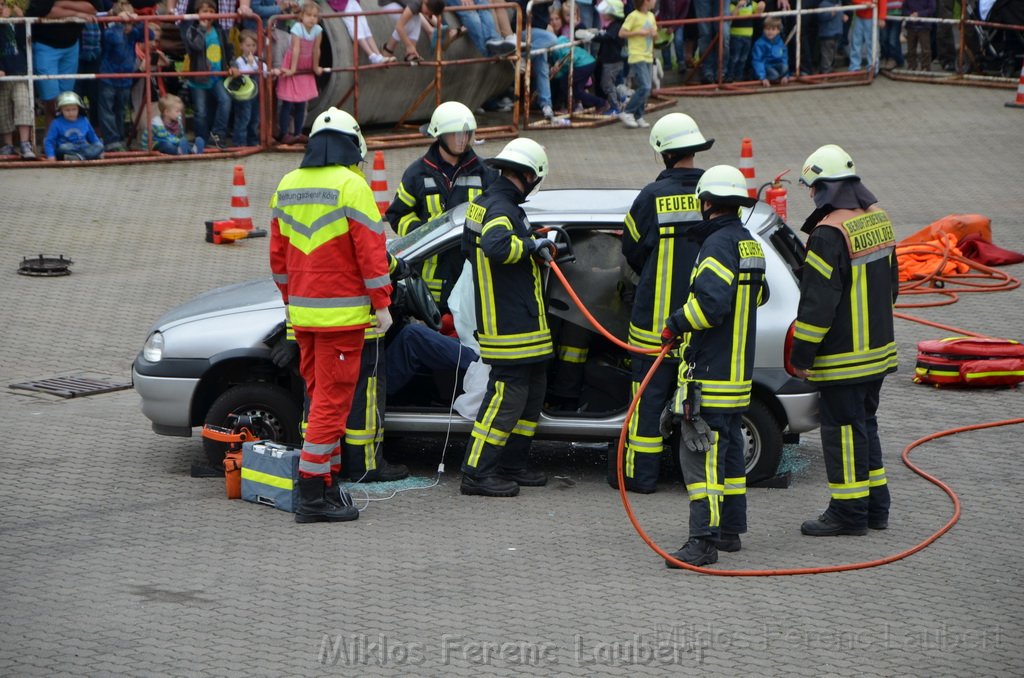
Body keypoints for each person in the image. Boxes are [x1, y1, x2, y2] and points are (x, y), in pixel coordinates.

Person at [269, 106, 394, 524]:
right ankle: (311, 491)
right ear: (352, 146)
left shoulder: (286, 184)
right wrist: (383, 304)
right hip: (341, 320)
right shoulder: (351, 185)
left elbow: (278, 259)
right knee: (331, 404)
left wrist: (293, 300)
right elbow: (371, 254)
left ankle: (324, 480)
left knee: (317, 397)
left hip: (302, 317)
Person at [660, 165, 766, 567]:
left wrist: (675, 323)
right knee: (731, 454)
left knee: (700, 456)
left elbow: (711, 305)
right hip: (738, 375)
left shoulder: (717, 245)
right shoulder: (749, 244)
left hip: (711, 373)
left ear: (706, 203)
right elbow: (757, 296)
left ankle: (702, 542)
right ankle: (729, 532)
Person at [789, 144, 897, 537]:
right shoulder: (879, 220)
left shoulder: (828, 233)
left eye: (812, 187)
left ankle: (848, 513)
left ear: (824, 186)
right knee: (865, 424)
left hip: (844, 358)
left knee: (843, 432)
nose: (810, 195)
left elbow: (817, 305)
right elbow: (893, 288)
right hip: (879, 353)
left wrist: (802, 354)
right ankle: (875, 508)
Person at [616, 112, 713, 494]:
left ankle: (641, 478)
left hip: (654, 327)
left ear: (664, 154)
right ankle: (703, 479)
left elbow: (630, 249)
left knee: (646, 402)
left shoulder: (651, 196)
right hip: (702, 325)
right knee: (699, 402)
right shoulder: (715, 193)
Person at [459, 137, 555, 498]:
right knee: (507, 397)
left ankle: (513, 464)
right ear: (529, 175)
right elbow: (496, 246)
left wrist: (532, 242)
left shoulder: (485, 205)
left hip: (521, 319)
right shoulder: (501, 208)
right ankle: (476, 473)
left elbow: (475, 250)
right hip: (509, 324)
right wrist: (531, 246)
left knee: (532, 391)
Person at [385, 101, 498, 310]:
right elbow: (397, 214)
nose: (462, 139)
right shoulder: (417, 173)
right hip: (430, 285)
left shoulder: (485, 172)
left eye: (466, 133)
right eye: (455, 134)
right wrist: (419, 233)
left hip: (470, 279)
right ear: (439, 135)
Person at [26, 0, 101, 127]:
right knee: (51, 98)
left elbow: (93, 8)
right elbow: (42, 12)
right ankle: (57, 136)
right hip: (45, 45)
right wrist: (77, 14)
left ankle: (52, 140)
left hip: (71, 45)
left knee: (66, 97)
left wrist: (62, 5)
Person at [182, 0, 236, 148]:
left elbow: (228, 50)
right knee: (201, 112)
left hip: (216, 77)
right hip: (198, 79)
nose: (208, 15)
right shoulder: (192, 31)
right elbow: (197, 46)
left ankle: (217, 135)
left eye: (212, 12)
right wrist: (202, 29)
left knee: (225, 101)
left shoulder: (219, 31)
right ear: (197, 13)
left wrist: (231, 65)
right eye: (204, 11)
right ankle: (201, 140)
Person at [97, 1, 149, 152]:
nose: (128, 26)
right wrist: (120, 23)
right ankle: (111, 141)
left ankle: (120, 139)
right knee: (107, 110)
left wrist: (137, 21)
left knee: (121, 111)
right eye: (125, 22)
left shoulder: (133, 33)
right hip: (108, 78)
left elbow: (149, 33)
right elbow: (116, 39)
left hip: (125, 80)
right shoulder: (110, 32)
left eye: (129, 23)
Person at [275, 1, 323, 144]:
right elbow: (296, 49)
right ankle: (283, 133)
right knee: (288, 103)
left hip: (306, 67)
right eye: (309, 15)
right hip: (293, 64)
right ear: (301, 16)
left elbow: (316, 49)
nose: (312, 19)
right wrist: (292, 70)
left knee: (302, 103)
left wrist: (315, 67)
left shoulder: (318, 30)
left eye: (315, 16)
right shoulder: (297, 28)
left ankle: (298, 133)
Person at [0, 2, 37, 159]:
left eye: (2, 4)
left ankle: (25, 143)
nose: (1, 7)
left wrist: (21, 19)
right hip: (3, 73)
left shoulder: (15, 23)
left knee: (23, 103)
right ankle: (7, 144)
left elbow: (25, 40)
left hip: (19, 70)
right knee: (3, 109)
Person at [618, 0, 657, 128]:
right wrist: (639, 33)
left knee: (646, 88)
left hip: (648, 56)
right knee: (645, 86)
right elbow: (622, 33)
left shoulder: (651, 16)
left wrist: (654, 34)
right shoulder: (633, 16)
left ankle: (638, 115)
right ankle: (628, 111)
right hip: (637, 55)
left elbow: (654, 35)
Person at [325, 0, 396, 64]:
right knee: (355, 29)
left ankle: (379, 55)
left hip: (352, 2)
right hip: (341, 4)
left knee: (365, 28)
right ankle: (372, 55)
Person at [43, 90, 105, 160]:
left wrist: (100, 150)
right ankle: (87, 156)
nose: (71, 113)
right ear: (61, 110)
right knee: (62, 148)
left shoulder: (84, 120)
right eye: (67, 110)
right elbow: (49, 141)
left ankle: (79, 157)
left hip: (83, 147)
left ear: (79, 109)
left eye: (74, 109)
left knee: (99, 146)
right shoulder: (56, 123)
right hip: (67, 148)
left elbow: (93, 137)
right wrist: (50, 155)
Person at [381, 0, 447, 63]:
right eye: (428, 12)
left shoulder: (422, 4)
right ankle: (388, 49)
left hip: (401, 3)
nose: (428, 15)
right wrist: (409, 45)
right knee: (409, 23)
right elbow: (399, 26)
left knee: (417, 20)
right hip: (387, 2)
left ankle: (411, 54)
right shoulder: (415, 4)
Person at [591, 0, 626, 115]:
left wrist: (592, 37)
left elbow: (608, 37)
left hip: (613, 61)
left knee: (607, 84)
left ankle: (615, 106)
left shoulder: (616, 26)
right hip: (609, 60)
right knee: (607, 83)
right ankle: (620, 98)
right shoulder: (610, 25)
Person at [230, 29, 265, 146]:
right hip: (244, 95)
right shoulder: (239, 61)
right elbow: (245, 73)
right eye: (248, 45)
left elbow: (265, 72)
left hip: (256, 94)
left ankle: (253, 142)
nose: (251, 48)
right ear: (241, 46)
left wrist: (259, 65)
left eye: (253, 45)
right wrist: (251, 65)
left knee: (255, 119)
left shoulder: (258, 60)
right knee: (243, 118)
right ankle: (239, 143)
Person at [139, 92, 205, 153]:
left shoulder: (177, 122)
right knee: (167, 145)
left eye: (180, 111)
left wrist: (183, 141)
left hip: (174, 142)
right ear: (167, 112)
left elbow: (180, 137)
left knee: (183, 143)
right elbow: (166, 138)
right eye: (177, 111)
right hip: (157, 145)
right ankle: (180, 151)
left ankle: (193, 149)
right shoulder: (157, 124)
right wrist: (146, 150)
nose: (180, 114)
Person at [727, 0, 764, 82]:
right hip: (735, 35)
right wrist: (738, 6)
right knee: (734, 57)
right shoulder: (733, 3)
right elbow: (731, 16)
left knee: (743, 58)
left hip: (748, 35)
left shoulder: (751, 3)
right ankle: (730, 76)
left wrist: (761, 7)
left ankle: (739, 76)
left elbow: (757, 15)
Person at [848, 0, 887, 72]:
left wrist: (882, 17)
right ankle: (855, 67)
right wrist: (863, 3)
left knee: (871, 44)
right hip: (859, 16)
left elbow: (883, 2)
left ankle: (872, 68)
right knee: (856, 42)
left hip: (871, 16)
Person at [751, 15, 789, 86]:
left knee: (785, 67)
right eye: (767, 29)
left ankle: (782, 77)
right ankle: (770, 78)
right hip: (766, 67)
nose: (770, 32)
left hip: (777, 66)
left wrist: (786, 75)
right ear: (763, 29)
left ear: (778, 31)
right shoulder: (759, 44)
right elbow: (758, 61)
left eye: (773, 29)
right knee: (774, 75)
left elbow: (784, 58)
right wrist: (762, 77)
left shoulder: (780, 42)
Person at [903, 0, 936, 71]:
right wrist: (910, 15)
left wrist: (919, 14)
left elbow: (932, 9)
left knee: (925, 49)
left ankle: (925, 67)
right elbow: (904, 9)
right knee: (910, 49)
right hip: (911, 26)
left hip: (924, 26)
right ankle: (911, 65)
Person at [817, 0, 845, 74]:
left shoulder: (839, 3)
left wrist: (843, 16)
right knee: (826, 54)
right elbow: (820, 17)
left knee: (833, 52)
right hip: (827, 34)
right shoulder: (823, 4)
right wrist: (831, 13)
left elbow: (840, 13)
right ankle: (825, 70)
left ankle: (830, 68)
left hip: (837, 33)